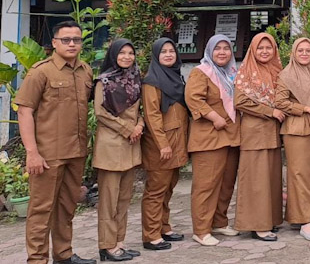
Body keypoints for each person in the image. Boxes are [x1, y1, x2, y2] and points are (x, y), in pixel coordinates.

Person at [14, 20, 97, 264]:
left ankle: (64, 255)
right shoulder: (41, 72)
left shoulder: (85, 70)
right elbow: (24, 111)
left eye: (76, 40)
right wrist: (32, 153)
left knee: (67, 207)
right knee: (41, 210)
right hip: (47, 154)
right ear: (54, 43)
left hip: (76, 152)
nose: (72, 44)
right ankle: (37, 259)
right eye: (66, 40)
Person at [185, 34, 241, 246]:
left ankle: (219, 221)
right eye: (217, 48)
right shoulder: (201, 72)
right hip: (209, 137)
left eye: (226, 48)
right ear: (209, 51)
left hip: (231, 137)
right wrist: (214, 117)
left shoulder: (231, 73)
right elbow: (193, 98)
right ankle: (201, 230)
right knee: (206, 185)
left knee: (226, 183)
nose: (222, 52)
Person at [93, 39, 144, 261]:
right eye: (122, 53)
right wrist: (128, 129)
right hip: (111, 146)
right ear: (114, 55)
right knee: (109, 200)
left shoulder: (135, 79)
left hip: (131, 146)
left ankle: (119, 242)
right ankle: (107, 246)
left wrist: (139, 125)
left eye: (130, 53)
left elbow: (140, 110)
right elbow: (101, 113)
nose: (126, 57)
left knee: (124, 198)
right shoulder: (103, 82)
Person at [233, 33, 285, 242]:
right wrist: (270, 111)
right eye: (260, 48)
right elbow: (240, 101)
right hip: (254, 133)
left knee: (271, 178)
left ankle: (270, 220)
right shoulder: (246, 71)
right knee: (256, 180)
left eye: (268, 48)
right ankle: (257, 225)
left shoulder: (277, 71)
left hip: (273, 133)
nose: (264, 52)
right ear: (252, 50)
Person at [140, 38, 189, 251]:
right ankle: (151, 235)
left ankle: (164, 227)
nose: (168, 55)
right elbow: (152, 116)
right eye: (163, 52)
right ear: (156, 56)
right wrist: (163, 144)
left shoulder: (175, 76)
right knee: (156, 190)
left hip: (177, 141)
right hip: (161, 146)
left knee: (168, 187)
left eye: (171, 51)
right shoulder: (152, 81)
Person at [274, 37, 310, 241]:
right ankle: (304, 222)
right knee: (299, 175)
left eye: (308, 50)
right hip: (296, 129)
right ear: (293, 53)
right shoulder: (286, 75)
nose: (304, 54)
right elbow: (280, 102)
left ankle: (304, 217)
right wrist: (306, 108)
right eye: (300, 50)